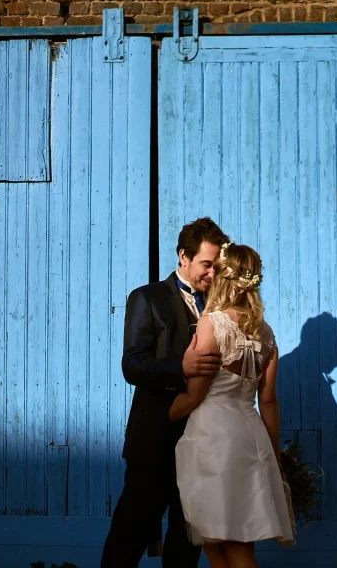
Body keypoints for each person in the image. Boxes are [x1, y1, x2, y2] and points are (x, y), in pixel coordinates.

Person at [101, 217, 230, 568]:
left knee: (187, 542)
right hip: (155, 437)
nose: (213, 274)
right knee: (129, 536)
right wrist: (180, 369)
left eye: (217, 267)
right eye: (206, 264)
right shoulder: (147, 297)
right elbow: (133, 364)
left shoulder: (221, 307)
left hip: (203, 440)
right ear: (183, 256)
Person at [169, 242, 296, 568]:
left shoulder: (212, 323)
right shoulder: (265, 333)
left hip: (214, 438)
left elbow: (195, 395)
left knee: (227, 546)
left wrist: (163, 414)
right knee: (225, 545)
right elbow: (267, 400)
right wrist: (275, 456)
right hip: (250, 435)